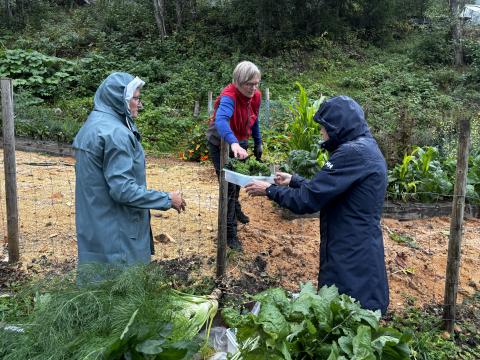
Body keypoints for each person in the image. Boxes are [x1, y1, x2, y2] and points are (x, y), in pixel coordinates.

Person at [245, 95, 389, 314]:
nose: (322, 134)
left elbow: (309, 200)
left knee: (348, 309)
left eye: (323, 128)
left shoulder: (351, 152)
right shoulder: (365, 147)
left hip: (350, 247)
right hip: (356, 239)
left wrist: (270, 190)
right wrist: (294, 181)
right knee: (348, 305)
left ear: (337, 126)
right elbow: (330, 189)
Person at [73, 72, 186, 266]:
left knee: (96, 289)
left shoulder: (93, 124)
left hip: (95, 224)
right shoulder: (116, 134)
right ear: (120, 99)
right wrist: (167, 199)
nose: (139, 104)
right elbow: (123, 190)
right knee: (120, 291)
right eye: (135, 98)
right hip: (117, 233)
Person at [206, 61, 263, 251]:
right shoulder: (229, 96)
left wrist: (258, 142)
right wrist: (234, 143)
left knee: (237, 184)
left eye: (256, 83)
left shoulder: (255, 96)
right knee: (228, 187)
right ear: (238, 81)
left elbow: (254, 119)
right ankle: (230, 232)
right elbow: (222, 121)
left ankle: (235, 209)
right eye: (249, 84)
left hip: (240, 141)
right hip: (220, 142)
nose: (253, 88)